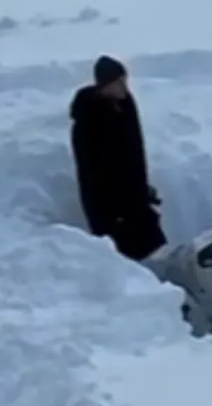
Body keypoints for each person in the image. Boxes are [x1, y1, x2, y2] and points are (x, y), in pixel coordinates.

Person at [69, 55, 166, 262]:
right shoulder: (88, 119)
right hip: (110, 206)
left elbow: (134, 152)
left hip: (134, 198)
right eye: (118, 82)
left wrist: (141, 189)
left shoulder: (125, 106)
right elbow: (91, 170)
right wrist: (111, 209)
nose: (124, 86)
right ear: (105, 85)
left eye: (125, 80)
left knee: (151, 245)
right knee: (126, 255)